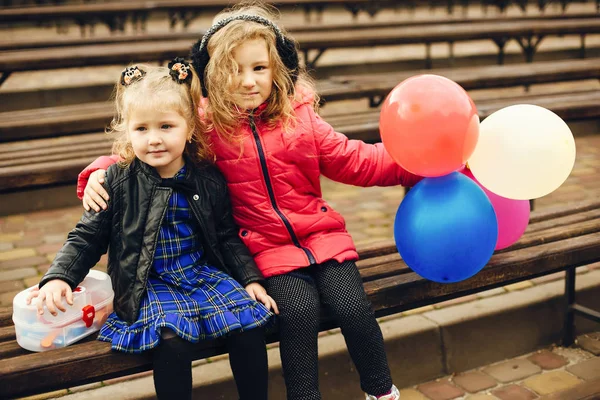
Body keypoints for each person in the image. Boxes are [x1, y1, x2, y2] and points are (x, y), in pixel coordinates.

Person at [78, 3, 422, 399]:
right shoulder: (206, 127)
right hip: (263, 248)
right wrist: (100, 170)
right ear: (212, 75)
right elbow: (152, 146)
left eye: (259, 68)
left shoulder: (301, 117)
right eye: (233, 70)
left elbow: (357, 160)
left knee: (353, 308)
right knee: (298, 312)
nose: (247, 81)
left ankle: (381, 392)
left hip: (323, 238)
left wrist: (417, 165)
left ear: (278, 70)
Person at [26, 59, 278, 400]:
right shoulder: (117, 183)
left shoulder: (207, 179)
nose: (154, 139)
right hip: (148, 283)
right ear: (127, 132)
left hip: (200, 275)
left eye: (165, 127)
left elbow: (226, 237)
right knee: (171, 340)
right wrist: (59, 277)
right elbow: (86, 237)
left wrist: (250, 279)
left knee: (248, 330)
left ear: (189, 128)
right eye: (141, 129)